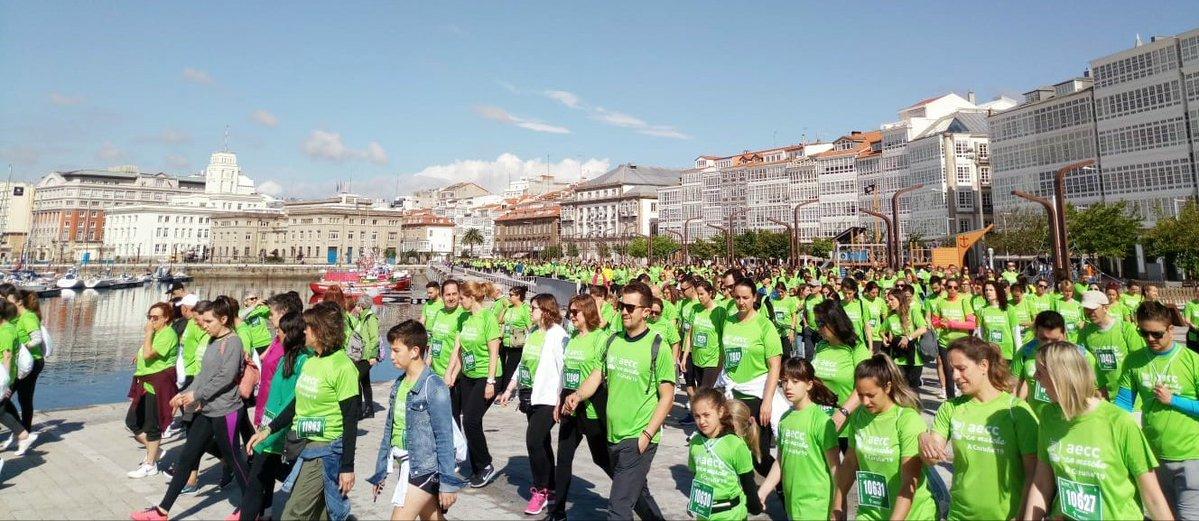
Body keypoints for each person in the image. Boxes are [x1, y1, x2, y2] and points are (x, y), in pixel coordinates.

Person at [1023, 341, 1174, 521]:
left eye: (1040, 372)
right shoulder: (1049, 416)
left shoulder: (1119, 422)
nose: (1035, 377)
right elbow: (1042, 483)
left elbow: (1153, 497)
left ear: (1060, 376)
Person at [563, 282, 675, 521]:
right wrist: (578, 395)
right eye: (622, 305)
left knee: (618, 507)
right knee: (638, 494)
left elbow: (667, 396)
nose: (624, 311)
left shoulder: (658, 346)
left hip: (638, 437)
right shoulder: (613, 340)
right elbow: (597, 374)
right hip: (613, 434)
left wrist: (647, 435)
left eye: (630, 307)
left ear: (646, 312)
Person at [132, 296, 250, 521]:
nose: (204, 325)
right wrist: (184, 393)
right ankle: (162, 511)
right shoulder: (213, 340)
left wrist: (196, 395)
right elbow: (204, 375)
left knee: (234, 458)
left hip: (226, 411)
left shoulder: (233, 342)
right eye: (203, 321)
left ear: (223, 319)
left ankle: (251, 507)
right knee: (187, 456)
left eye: (208, 321)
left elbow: (226, 377)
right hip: (207, 409)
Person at [256, 300, 360, 521]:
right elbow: (296, 403)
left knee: (293, 513)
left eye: (309, 327)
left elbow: (351, 420)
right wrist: (269, 429)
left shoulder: (342, 366)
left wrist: (347, 467)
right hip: (304, 444)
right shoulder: (312, 361)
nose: (304, 331)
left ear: (321, 331)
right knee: (321, 514)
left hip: (326, 449)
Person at [919, 337, 1038, 520]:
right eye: (952, 370)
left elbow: (1034, 473)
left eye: (961, 368)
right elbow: (932, 457)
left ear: (983, 365)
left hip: (1007, 516)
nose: (954, 376)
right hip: (959, 515)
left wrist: (1023, 516)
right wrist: (923, 440)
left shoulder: (1016, 411)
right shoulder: (950, 408)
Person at [366, 321, 463, 521]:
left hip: (425, 469)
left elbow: (444, 437)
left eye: (396, 350)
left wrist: (448, 483)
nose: (391, 356)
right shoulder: (399, 384)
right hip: (405, 463)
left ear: (414, 351)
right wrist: (381, 470)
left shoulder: (434, 386)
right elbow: (389, 430)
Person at [1116, 301, 1199, 519]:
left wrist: (1174, 400)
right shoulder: (1134, 361)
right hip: (1152, 456)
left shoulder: (1192, 361)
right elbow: (1123, 405)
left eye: (1156, 334)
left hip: (1191, 457)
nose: (1150, 339)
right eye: (1143, 333)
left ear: (1170, 330)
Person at [833, 354, 936, 521]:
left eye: (871, 395)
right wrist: (836, 507)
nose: (865, 402)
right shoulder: (858, 416)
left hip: (911, 515)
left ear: (888, 387)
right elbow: (850, 462)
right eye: (860, 395)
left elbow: (909, 481)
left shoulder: (907, 420)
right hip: (870, 513)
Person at [497, 293, 567, 515]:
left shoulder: (558, 335)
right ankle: (551, 487)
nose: (530, 311)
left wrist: (561, 399)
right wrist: (510, 388)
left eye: (534, 307)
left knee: (534, 441)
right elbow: (523, 363)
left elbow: (564, 368)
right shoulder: (534, 332)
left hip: (549, 397)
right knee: (543, 442)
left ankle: (541, 489)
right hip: (530, 395)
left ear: (546, 310)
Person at [236, 311, 309, 521]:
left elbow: (295, 401)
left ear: (290, 333)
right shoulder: (286, 358)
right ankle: (266, 513)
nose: (277, 334)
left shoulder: (304, 361)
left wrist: (272, 428)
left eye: (279, 331)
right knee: (263, 477)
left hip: (280, 431)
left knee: (257, 481)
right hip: (269, 427)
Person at [547, 295, 611, 521]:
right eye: (570, 312)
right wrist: (559, 400)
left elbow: (598, 374)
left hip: (591, 407)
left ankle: (630, 491)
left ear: (588, 312)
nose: (571, 316)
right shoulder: (572, 337)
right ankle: (558, 511)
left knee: (601, 458)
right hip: (569, 406)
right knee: (563, 459)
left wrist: (580, 395)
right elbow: (565, 372)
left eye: (575, 312)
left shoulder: (601, 338)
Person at [757, 358, 840, 520]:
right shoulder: (784, 419)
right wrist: (763, 491)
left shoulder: (822, 421)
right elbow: (781, 461)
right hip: (792, 505)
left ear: (809, 385)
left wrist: (838, 507)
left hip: (817, 507)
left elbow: (835, 469)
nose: (788, 386)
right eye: (784, 381)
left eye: (795, 381)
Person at [720, 277, 782, 477]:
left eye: (746, 298)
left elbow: (775, 365)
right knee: (735, 451)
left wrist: (767, 402)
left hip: (756, 397)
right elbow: (726, 358)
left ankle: (782, 486)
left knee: (759, 456)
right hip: (733, 397)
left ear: (754, 297)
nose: (741, 302)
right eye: (737, 297)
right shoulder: (728, 322)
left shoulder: (765, 325)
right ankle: (742, 492)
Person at [446, 280, 502, 488]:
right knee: (471, 420)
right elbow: (459, 350)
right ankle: (478, 467)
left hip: (486, 376)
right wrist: (450, 373)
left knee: (470, 420)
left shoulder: (488, 318)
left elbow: (494, 352)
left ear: (472, 297)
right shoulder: (464, 317)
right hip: (468, 375)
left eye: (462, 298)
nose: (459, 302)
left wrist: (490, 381)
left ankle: (486, 464)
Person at [685, 389, 764, 521]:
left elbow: (747, 481)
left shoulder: (735, 444)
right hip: (703, 514)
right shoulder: (695, 442)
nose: (702, 421)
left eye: (706, 415)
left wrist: (755, 506)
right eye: (697, 416)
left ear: (720, 412)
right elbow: (696, 475)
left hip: (730, 514)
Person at [126, 301, 180, 478]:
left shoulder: (168, 334)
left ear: (166, 318)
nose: (151, 321)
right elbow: (146, 351)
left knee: (152, 425)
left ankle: (150, 464)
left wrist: (148, 333)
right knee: (132, 421)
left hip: (158, 384)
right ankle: (156, 451)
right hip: (145, 381)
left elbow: (149, 354)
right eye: (149, 317)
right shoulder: (156, 333)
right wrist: (138, 356)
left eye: (155, 318)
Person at [809, 300, 871, 433]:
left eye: (821, 323)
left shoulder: (857, 349)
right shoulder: (821, 346)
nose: (818, 328)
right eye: (816, 323)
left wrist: (843, 412)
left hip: (847, 426)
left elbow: (865, 385)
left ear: (835, 322)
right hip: (819, 423)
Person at [1078, 290, 1144, 401]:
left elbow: (1140, 362)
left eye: (1093, 309)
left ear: (1105, 308)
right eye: (1086, 309)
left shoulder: (1125, 329)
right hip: (1102, 397)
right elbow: (1083, 362)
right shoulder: (1085, 333)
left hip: (1129, 396)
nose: (1089, 313)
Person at [0, 298, 36, 456]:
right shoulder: (5, 328)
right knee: (1, 412)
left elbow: (7, 357)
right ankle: (23, 435)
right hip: (4, 377)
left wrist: (4, 384)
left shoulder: (6, 331)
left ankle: (24, 435)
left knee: (1, 411)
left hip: (3, 378)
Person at [930, 277, 975, 400]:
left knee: (964, 371)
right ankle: (951, 400)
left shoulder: (964, 301)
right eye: (949, 287)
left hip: (961, 344)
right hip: (945, 342)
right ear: (945, 288)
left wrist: (951, 324)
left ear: (958, 288)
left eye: (955, 287)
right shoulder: (941, 302)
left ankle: (967, 398)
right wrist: (940, 323)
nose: (952, 289)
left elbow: (971, 324)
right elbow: (934, 321)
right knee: (948, 372)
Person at [880, 287, 927, 394]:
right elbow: (881, 330)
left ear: (900, 299)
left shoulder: (913, 312)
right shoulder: (891, 317)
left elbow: (923, 328)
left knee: (913, 392)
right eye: (888, 300)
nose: (889, 302)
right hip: (898, 359)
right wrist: (884, 338)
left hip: (914, 359)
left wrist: (908, 338)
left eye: (892, 299)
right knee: (900, 391)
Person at [683, 279, 727, 391]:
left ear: (710, 293)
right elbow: (690, 335)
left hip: (712, 360)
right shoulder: (695, 309)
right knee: (701, 391)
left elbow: (725, 338)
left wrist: (722, 361)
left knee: (704, 393)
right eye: (698, 294)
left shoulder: (720, 311)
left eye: (702, 294)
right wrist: (685, 357)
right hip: (697, 359)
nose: (699, 297)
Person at [10, 289, 44, 433]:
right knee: (14, 397)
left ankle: (24, 431)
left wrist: (21, 348)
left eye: (9, 300)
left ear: (19, 302)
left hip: (32, 362)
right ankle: (21, 430)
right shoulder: (17, 317)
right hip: (22, 362)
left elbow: (37, 338)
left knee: (23, 398)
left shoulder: (28, 317)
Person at [347, 296, 381, 419]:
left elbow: (375, 338)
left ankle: (358, 410)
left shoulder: (370, 318)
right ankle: (369, 409)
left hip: (367, 356)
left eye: (357, 305)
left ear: (361, 306)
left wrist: (373, 355)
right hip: (359, 355)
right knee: (365, 381)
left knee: (355, 379)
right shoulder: (360, 318)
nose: (355, 307)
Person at [426, 279, 467, 379]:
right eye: (448, 295)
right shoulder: (439, 313)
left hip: (452, 376)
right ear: (442, 295)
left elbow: (462, 349)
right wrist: (427, 364)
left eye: (454, 294)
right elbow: (434, 341)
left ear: (459, 295)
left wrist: (451, 375)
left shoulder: (463, 315)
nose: (451, 298)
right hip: (435, 372)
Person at [496, 286, 532, 397]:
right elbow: (500, 320)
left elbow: (530, 327)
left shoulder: (525, 309)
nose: (509, 297)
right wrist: (505, 308)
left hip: (517, 344)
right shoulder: (509, 308)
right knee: (502, 366)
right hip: (506, 341)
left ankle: (505, 392)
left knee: (510, 368)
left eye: (511, 295)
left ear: (518, 296)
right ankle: (500, 389)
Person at [976, 280, 1019, 360]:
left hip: (1007, 352)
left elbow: (1016, 332)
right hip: (990, 352)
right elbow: (980, 334)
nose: (988, 292)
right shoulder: (981, 310)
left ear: (997, 291)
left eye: (991, 290)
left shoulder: (1009, 309)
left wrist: (1019, 351)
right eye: (986, 290)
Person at [1184, 285, 1199, 353]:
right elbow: (1187, 320)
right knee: (1193, 354)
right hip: (1193, 334)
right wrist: (1193, 325)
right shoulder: (1190, 304)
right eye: (1197, 291)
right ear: (1195, 292)